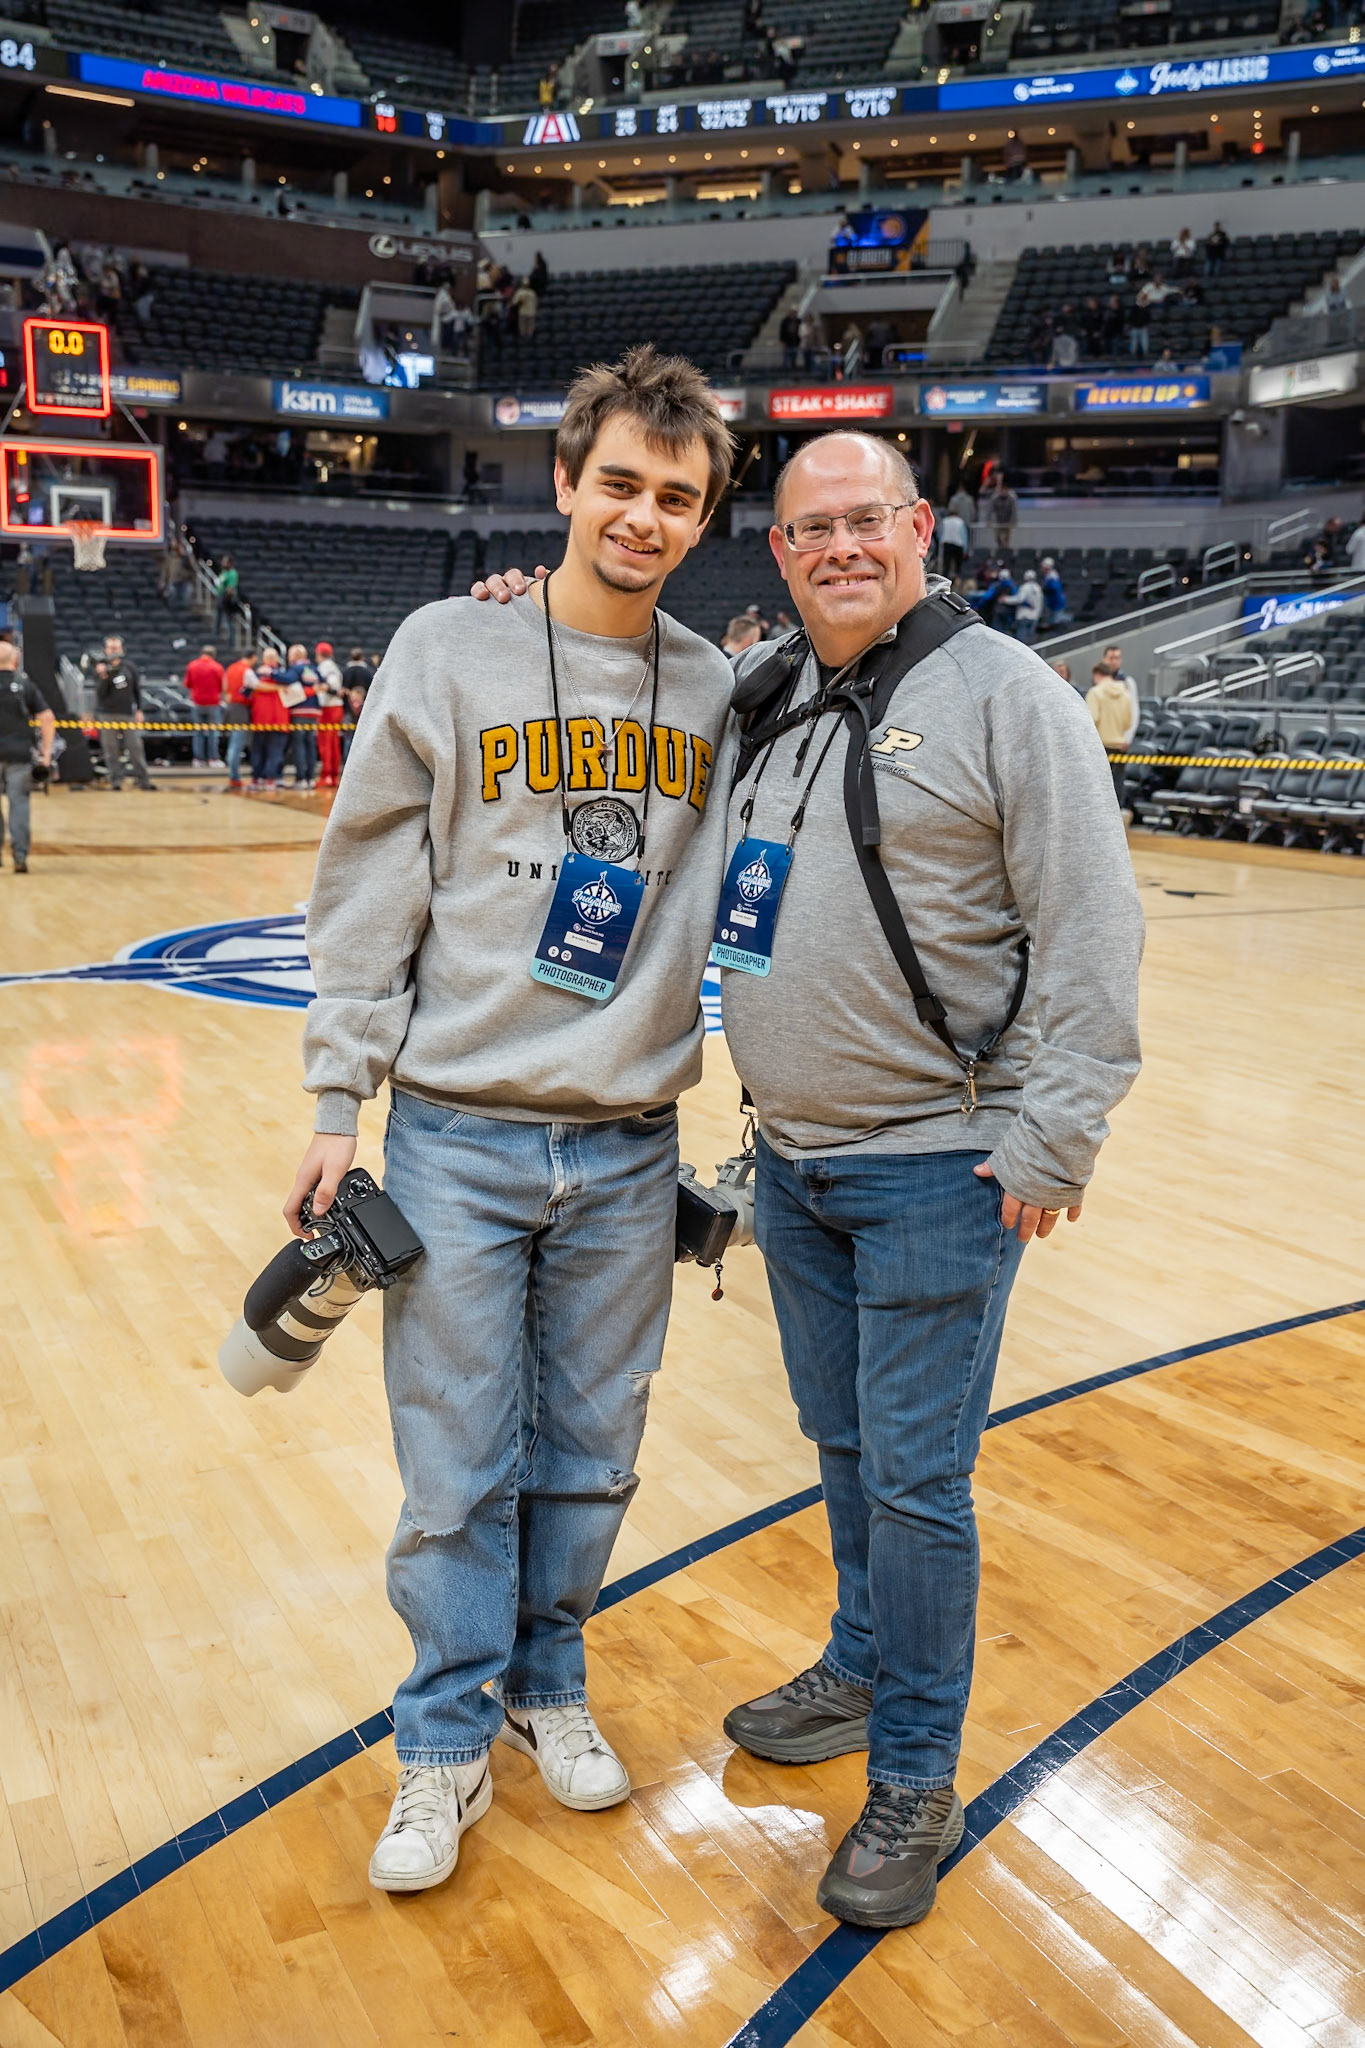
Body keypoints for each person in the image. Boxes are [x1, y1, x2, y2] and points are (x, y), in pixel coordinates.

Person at [287, 346, 738, 1899]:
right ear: (563, 483)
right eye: (617, 483)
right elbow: (365, 886)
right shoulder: (444, 647)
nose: (643, 515)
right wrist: (336, 1100)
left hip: (627, 1148)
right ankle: (440, 1736)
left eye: (676, 497)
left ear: (700, 520)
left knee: (593, 1456)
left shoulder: (716, 691)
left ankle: (550, 1687)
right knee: (455, 1464)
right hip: (458, 1138)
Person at [708, 431, 1143, 1931]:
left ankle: (911, 1777)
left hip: (940, 1174)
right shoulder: (763, 691)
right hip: (795, 1168)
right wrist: (527, 606)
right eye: (807, 528)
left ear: (919, 527)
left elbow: (1093, 932)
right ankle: (857, 1663)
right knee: (841, 1448)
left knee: (916, 1480)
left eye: (864, 521)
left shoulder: (1007, 694)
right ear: (776, 552)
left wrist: (1052, 1139)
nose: (837, 547)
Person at [0, 632, 55, 872]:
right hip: (20, 755)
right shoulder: (24, 685)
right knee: (19, 804)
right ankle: (20, 856)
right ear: (14, 661)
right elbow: (47, 718)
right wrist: (46, 754)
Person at [93, 634, 154, 791]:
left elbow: (137, 690)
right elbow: (100, 694)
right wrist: (104, 676)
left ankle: (143, 780)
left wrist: (139, 709)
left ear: (122, 649)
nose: (114, 650)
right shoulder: (100, 669)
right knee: (111, 750)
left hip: (128, 713)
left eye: (116, 647)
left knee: (135, 748)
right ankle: (116, 781)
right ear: (105, 650)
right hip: (106, 714)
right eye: (111, 647)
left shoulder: (129, 667)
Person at [1086, 660, 1138, 813]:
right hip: (1120, 745)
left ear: (1097, 675)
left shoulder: (1095, 693)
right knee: (1118, 782)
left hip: (1101, 746)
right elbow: (1129, 721)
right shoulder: (1126, 694)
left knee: (1099, 783)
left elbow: (1092, 719)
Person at [280, 641, 321, 790]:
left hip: (299, 711)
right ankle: (311, 778)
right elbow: (323, 683)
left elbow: (286, 679)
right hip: (314, 712)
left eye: (290, 654)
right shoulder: (314, 669)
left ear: (296, 655)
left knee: (299, 746)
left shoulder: (296, 668)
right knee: (311, 745)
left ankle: (301, 778)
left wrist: (272, 673)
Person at [247, 646, 290, 789]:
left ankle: (257, 777)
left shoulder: (255, 675)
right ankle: (270, 778)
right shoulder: (284, 676)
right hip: (278, 720)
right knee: (274, 751)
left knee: (259, 749)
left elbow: (245, 694)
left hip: (260, 718)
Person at [314, 640, 345, 788]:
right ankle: (333, 775)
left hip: (328, 708)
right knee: (334, 743)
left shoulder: (324, 667)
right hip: (337, 707)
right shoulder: (334, 666)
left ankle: (326, 775)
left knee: (325, 743)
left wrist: (323, 687)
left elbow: (332, 684)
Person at [222, 647, 253, 789]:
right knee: (237, 743)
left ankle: (233, 775)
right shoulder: (246, 670)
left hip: (231, 707)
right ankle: (234, 776)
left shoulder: (231, 668)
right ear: (252, 657)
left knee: (234, 742)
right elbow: (257, 685)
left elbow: (225, 688)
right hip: (240, 708)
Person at [1007, 564, 1044, 644]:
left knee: (1021, 641)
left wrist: (1006, 599)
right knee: (1030, 638)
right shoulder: (1038, 588)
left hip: (1024, 616)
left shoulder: (1025, 587)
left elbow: (1019, 599)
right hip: (1034, 617)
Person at [937, 504, 968, 583]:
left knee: (946, 563)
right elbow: (964, 536)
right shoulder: (960, 522)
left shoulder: (945, 521)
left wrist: (941, 542)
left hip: (947, 543)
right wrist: (965, 549)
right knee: (958, 564)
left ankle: (944, 581)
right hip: (958, 544)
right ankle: (957, 578)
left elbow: (940, 533)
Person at [987, 475, 1017, 553]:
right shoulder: (995, 498)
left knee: (1007, 537)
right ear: (1000, 491)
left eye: (1005, 490)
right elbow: (989, 510)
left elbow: (1014, 511)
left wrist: (1013, 521)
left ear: (1007, 490)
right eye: (1002, 490)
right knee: (997, 537)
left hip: (1007, 521)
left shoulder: (1011, 499)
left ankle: (1006, 549)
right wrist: (988, 520)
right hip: (998, 521)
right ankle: (1000, 547)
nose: (1003, 492)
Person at [1039, 555, 1070, 626]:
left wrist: (1044, 590)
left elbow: (1053, 588)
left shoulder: (1052, 576)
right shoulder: (1048, 576)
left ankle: (1071, 618)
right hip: (1052, 602)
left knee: (1056, 621)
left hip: (1056, 603)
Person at [213, 553, 239, 639]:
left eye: (225, 562)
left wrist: (227, 600)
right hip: (220, 597)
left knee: (229, 620)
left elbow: (230, 588)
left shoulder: (232, 573)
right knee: (217, 618)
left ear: (230, 563)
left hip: (227, 599)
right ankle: (216, 636)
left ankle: (231, 641)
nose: (223, 563)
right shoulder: (224, 572)